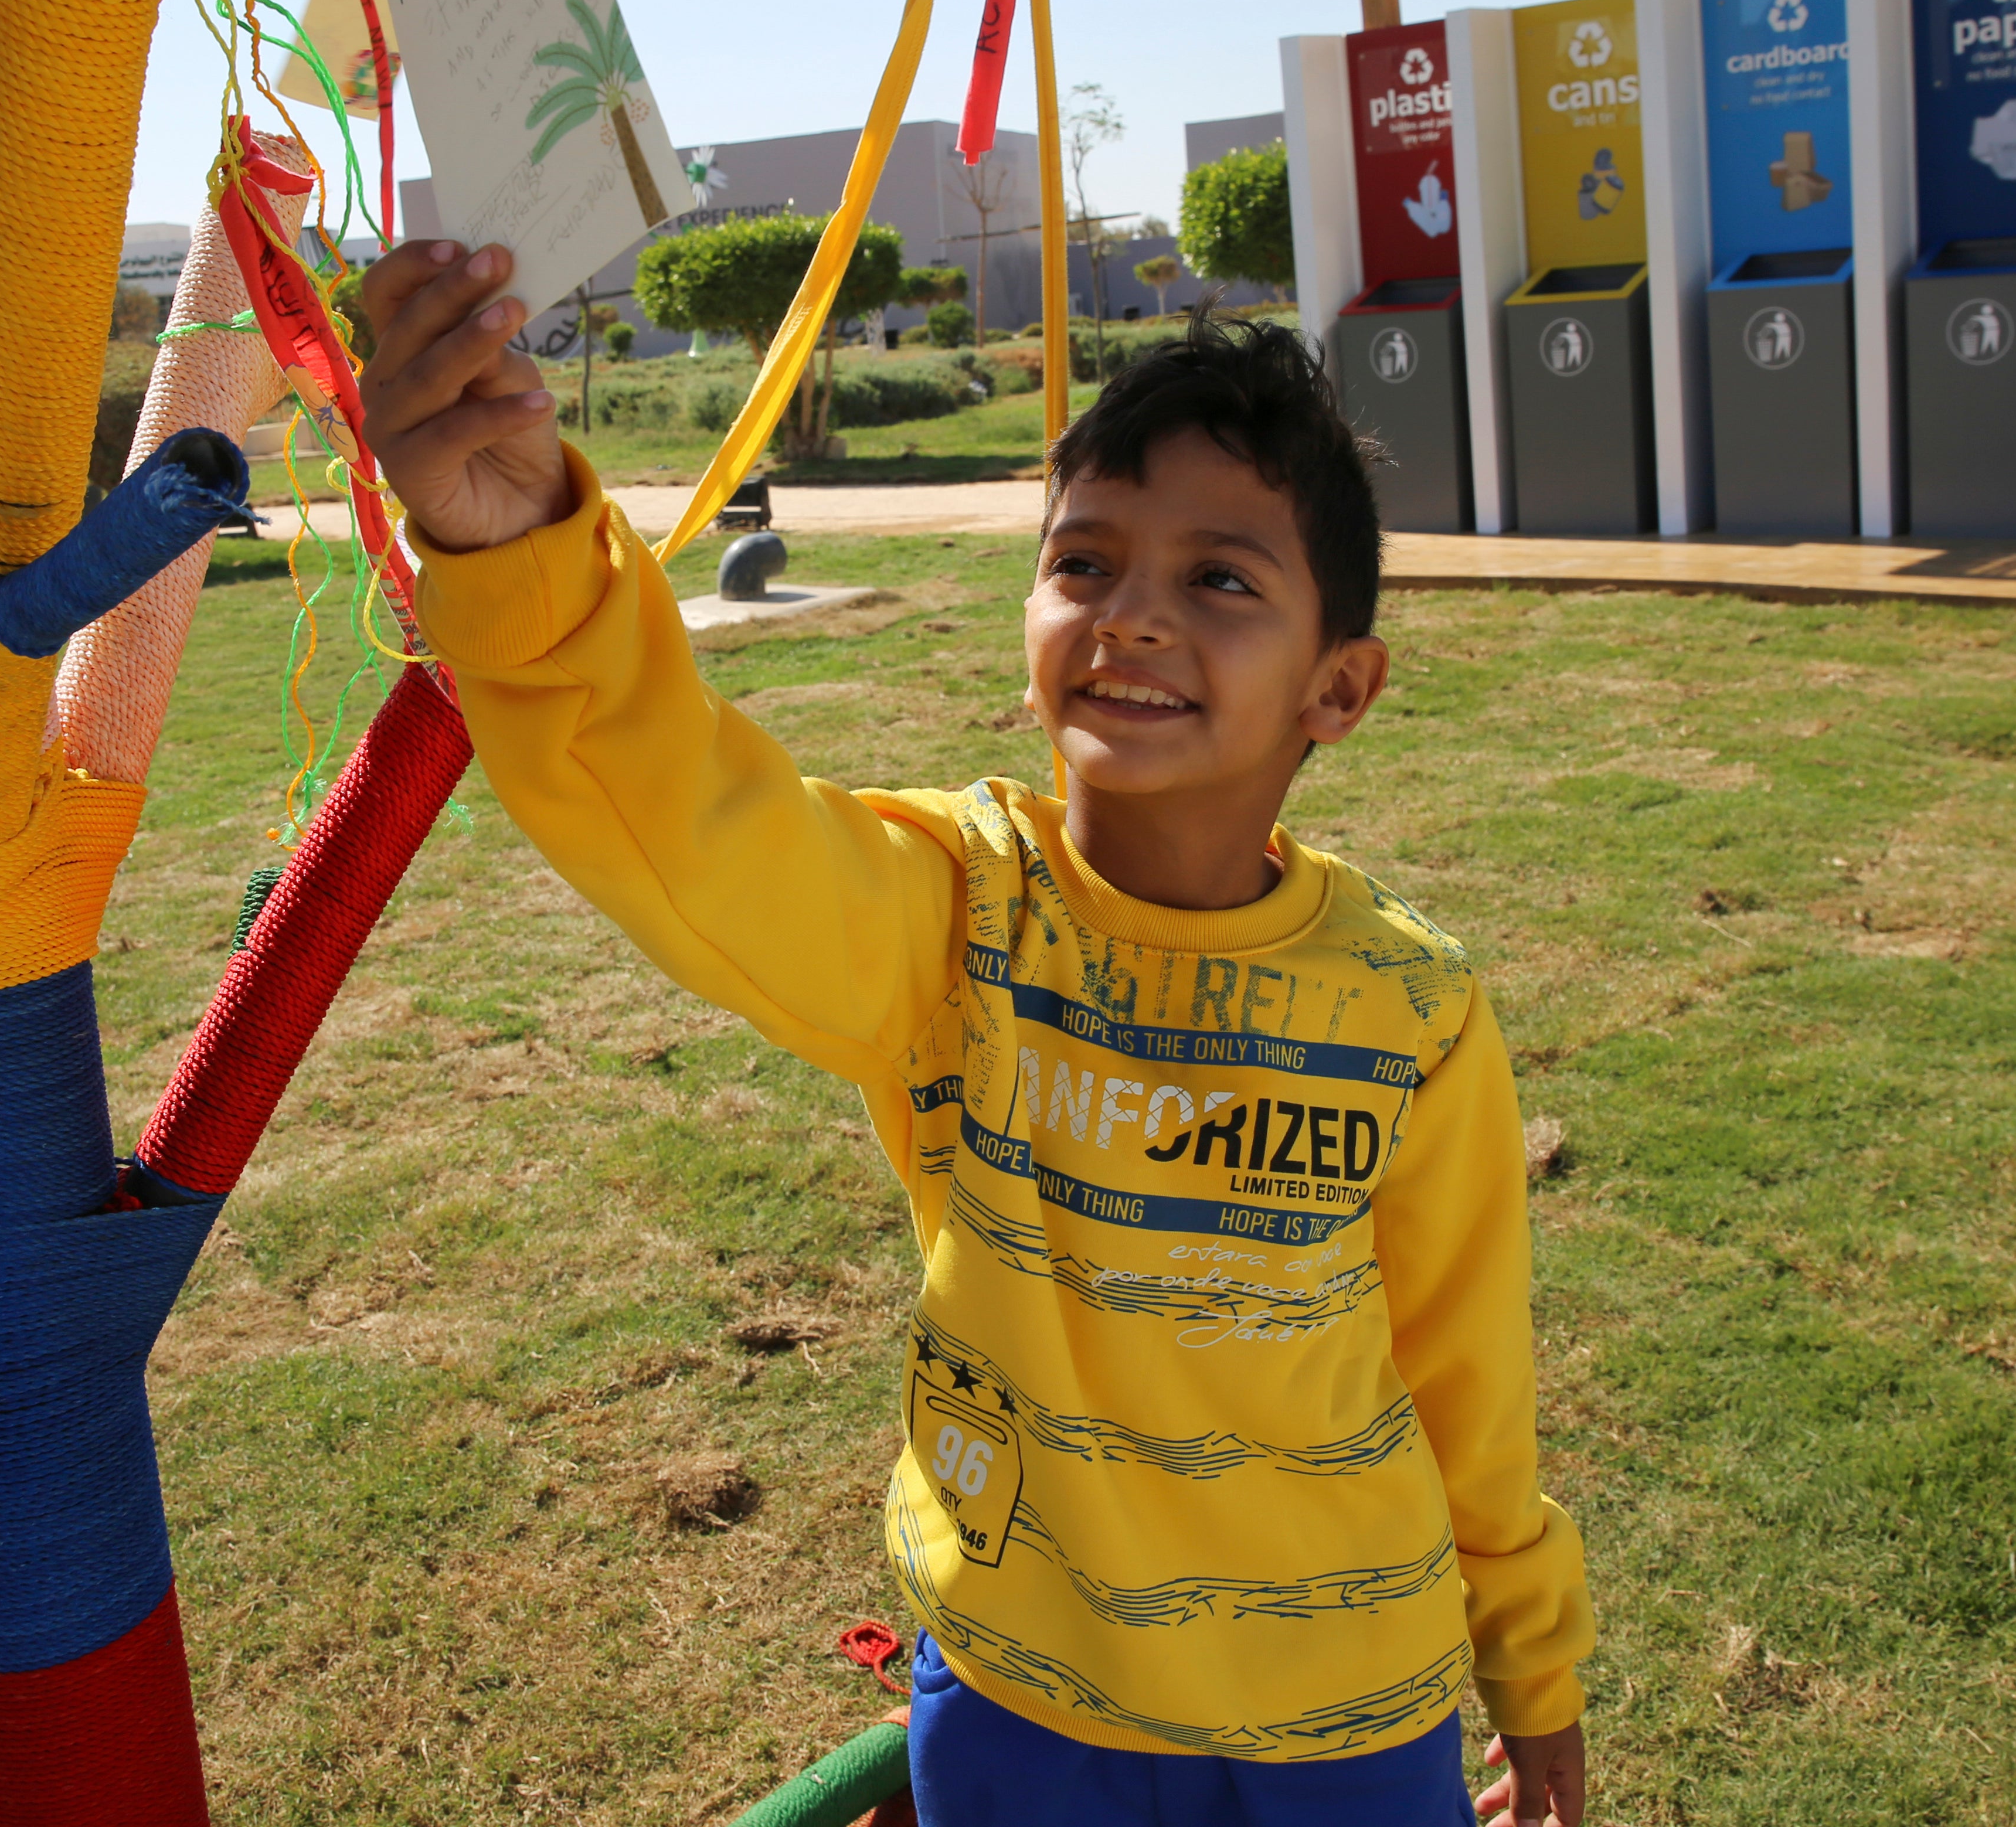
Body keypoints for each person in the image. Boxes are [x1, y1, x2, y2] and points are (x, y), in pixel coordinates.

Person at [359, 240, 1596, 1826]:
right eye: (1085, 564)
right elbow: (691, 824)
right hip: (1025, 1700)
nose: (1135, 617)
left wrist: (1533, 1665)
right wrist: (516, 547)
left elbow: (1467, 1383)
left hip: (1349, 1723)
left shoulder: (1412, 1013)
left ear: (1339, 688)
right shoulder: (955, 919)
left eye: (1220, 579)